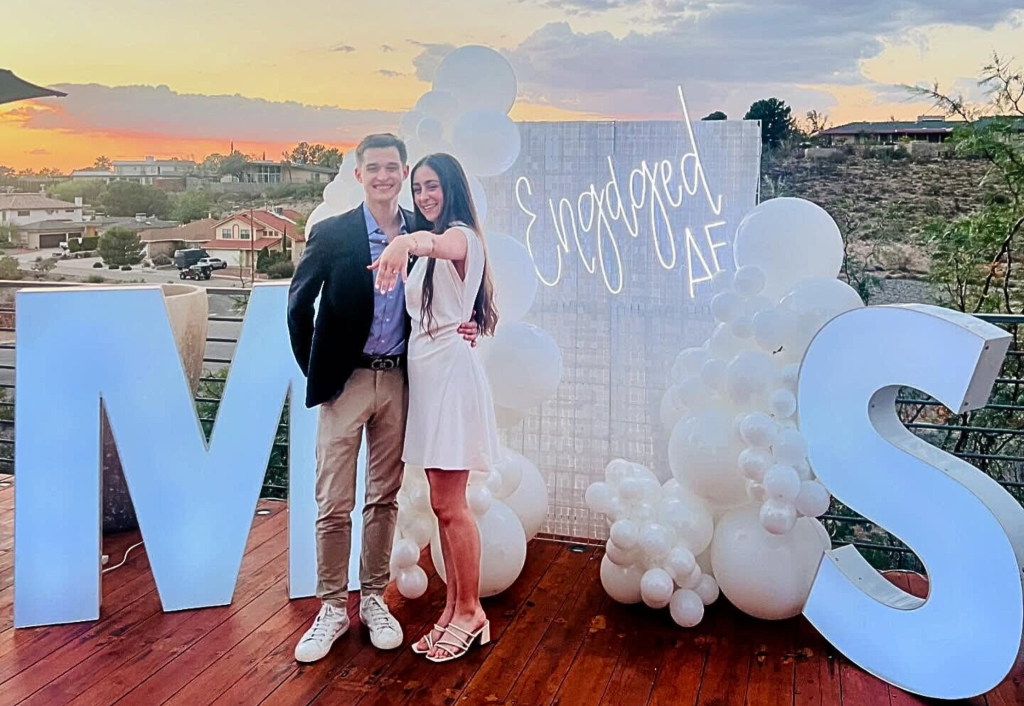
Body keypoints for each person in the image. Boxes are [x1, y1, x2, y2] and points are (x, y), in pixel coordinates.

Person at [287, 134, 478, 663]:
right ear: (359, 175)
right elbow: (298, 307)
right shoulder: (331, 234)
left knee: (383, 497)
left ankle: (372, 597)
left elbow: (464, 286)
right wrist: (320, 374)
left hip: (401, 382)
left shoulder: (423, 232)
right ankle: (330, 606)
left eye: (393, 168)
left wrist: (473, 325)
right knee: (333, 501)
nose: (384, 176)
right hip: (346, 383)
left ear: (404, 171)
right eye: (373, 168)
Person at [369, 152, 500, 663]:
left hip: (448, 381)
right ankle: (452, 610)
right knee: (444, 507)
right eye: (418, 187)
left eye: (432, 186)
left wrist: (404, 240)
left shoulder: (459, 236)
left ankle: (471, 613)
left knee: (452, 506)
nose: (424, 196)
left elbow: (442, 244)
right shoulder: (431, 256)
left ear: (452, 189)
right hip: (428, 381)